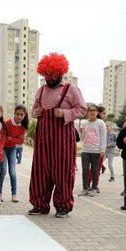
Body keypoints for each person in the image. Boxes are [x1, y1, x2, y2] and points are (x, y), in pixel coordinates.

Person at [29, 53, 87, 217]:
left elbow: (82, 109)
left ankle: (63, 206)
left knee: (62, 171)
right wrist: (36, 112)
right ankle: (40, 204)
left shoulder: (71, 89)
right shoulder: (41, 90)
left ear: (60, 72)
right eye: (46, 74)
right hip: (43, 137)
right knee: (40, 171)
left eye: (52, 74)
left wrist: (65, 113)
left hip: (62, 138)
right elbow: (33, 110)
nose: (49, 77)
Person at [0, 105, 28, 203]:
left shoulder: (23, 127)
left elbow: (21, 141)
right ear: (14, 113)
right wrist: (13, 139)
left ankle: (14, 194)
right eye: (17, 114)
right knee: (3, 170)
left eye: (21, 115)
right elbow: (3, 138)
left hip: (12, 149)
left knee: (12, 172)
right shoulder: (7, 123)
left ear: (24, 116)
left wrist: (11, 139)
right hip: (3, 149)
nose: (19, 116)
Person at [78, 104, 107, 196]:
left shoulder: (100, 123)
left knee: (95, 170)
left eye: (94, 110)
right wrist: (81, 132)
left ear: (97, 112)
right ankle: (85, 188)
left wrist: (102, 149)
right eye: (90, 110)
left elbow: (103, 136)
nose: (92, 112)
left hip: (96, 151)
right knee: (85, 170)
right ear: (87, 112)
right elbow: (82, 138)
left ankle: (94, 188)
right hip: (85, 150)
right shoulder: (84, 123)